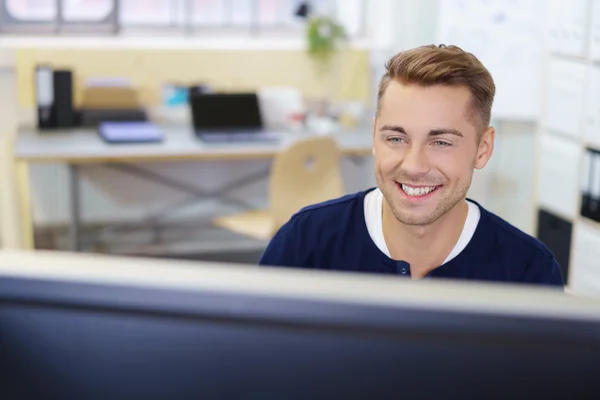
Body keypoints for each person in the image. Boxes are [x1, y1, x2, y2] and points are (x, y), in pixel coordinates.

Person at [259, 44, 564, 287]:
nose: (414, 165)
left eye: (441, 142)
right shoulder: (306, 242)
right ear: (375, 138)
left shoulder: (528, 272)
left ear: (483, 149)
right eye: (396, 138)